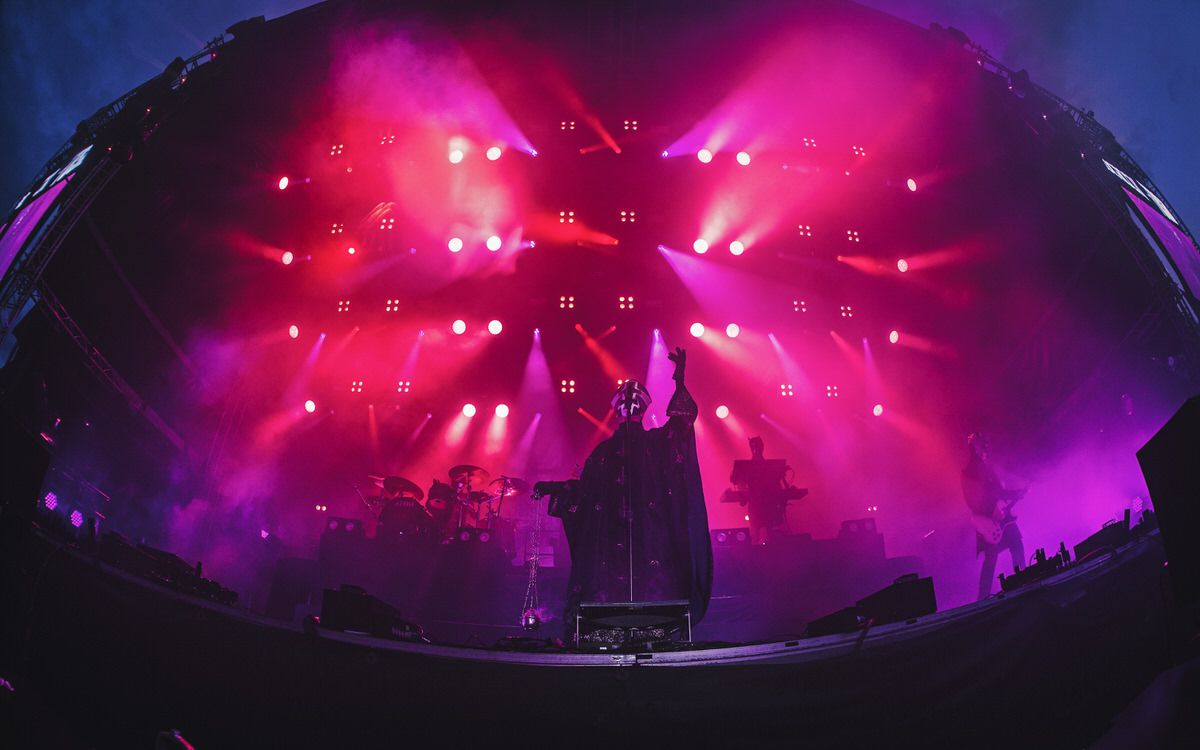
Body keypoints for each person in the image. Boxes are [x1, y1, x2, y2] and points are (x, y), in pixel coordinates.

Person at [534, 347, 713, 642]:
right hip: (611, 553)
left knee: (652, 599)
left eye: (634, 402)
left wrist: (679, 382)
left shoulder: (655, 443)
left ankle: (653, 632)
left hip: (652, 546)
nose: (629, 407)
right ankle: (607, 632)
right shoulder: (603, 453)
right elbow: (584, 496)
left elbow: (682, 422)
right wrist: (555, 488)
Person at [961, 432, 1026, 601]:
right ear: (975, 448)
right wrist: (991, 512)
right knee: (991, 559)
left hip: (1002, 518)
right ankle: (982, 599)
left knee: (1016, 544)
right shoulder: (968, 472)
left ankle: (1024, 582)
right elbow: (971, 501)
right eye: (982, 447)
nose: (985, 450)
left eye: (985, 447)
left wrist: (1018, 493)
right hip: (987, 520)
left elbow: (1000, 493)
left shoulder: (987, 469)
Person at [729, 436, 798, 545]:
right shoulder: (746, 467)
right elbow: (740, 483)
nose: (756, 448)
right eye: (753, 446)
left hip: (769, 506)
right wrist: (743, 492)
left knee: (772, 539)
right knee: (755, 537)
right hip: (756, 506)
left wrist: (780, 506)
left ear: (762, 447)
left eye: (758, 445)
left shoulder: (771, 467)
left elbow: (777, 487)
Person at [374, 476, 433, 543]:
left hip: (390, 540)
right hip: (411, 541)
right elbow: (423, 523)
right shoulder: (415, 505)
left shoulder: (392, 503)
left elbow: (382, 520)